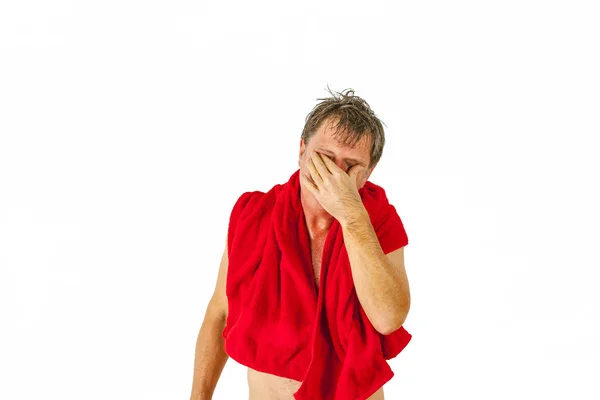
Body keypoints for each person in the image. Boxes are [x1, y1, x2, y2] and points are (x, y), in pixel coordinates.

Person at [189, 87, 411, 400]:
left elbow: (388, 319)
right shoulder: (254, 214)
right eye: (324, 158)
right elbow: (220, 313)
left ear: (368, 173)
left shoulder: (377, 220)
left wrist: (351, 216)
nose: (334, 173)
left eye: (350, 165)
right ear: (302, 149)